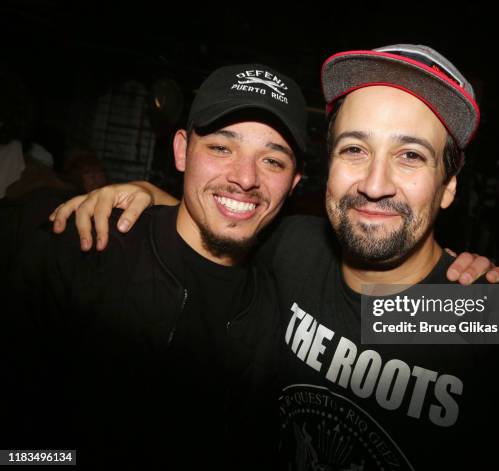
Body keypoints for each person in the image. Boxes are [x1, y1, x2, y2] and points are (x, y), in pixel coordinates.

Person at [50, 46, 499, 469]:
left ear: (449, 187)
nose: (375, 184)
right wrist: (142, 193)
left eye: (411, 156)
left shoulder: (492, 315)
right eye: (355, 149)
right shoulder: (294, 247)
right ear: (329, 166)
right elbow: (223, 215)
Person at [4, 63, 310, 469]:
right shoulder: (85, 243)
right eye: (221, 147)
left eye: (272, 161)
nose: (245, 178)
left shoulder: (275, 313)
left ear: (293, 183)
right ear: (182, 151)